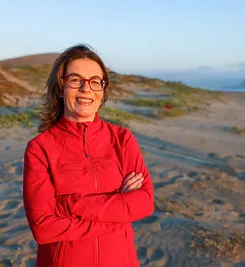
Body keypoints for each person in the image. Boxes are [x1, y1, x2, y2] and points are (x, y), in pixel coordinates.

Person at [22, 44, 154, 267]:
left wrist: (69, 205)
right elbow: (43, 229)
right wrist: (118, 212)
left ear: (103, 90)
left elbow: (144, 202)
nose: (86, 89)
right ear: (60, 87)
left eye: (95, 81)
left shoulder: (122, 139)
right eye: (75, 80)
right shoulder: (40, 148)